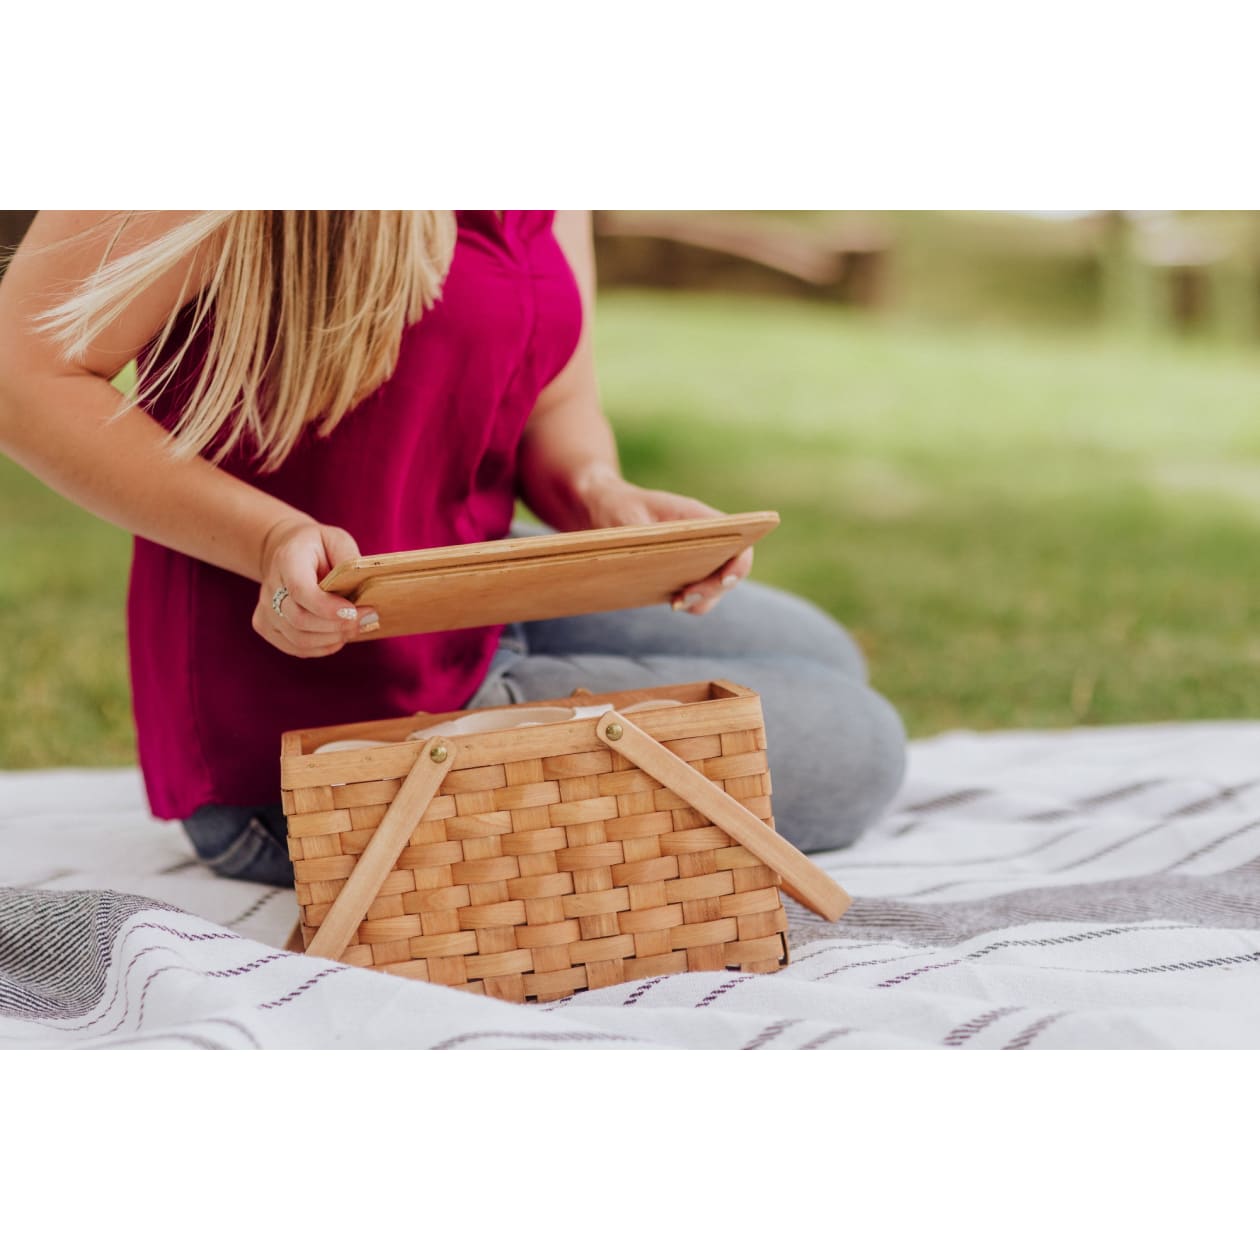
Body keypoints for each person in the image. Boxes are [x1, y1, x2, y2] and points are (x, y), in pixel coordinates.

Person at [0, 210, 905, 887]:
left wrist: (598, 492)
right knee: (859, 747)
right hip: (321, 725)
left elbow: (555, 392)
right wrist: (269, 534)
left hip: (468, 593)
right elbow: (24, 377)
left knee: (818, 653)